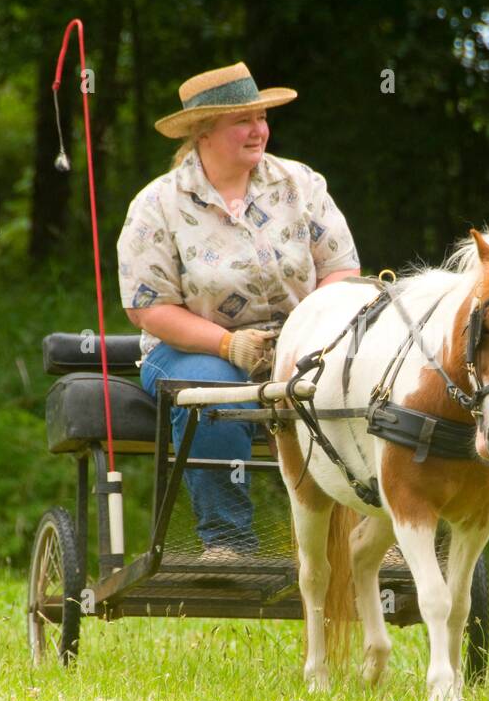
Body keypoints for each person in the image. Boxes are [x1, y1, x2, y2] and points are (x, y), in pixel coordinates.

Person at [117, 62, 362, 559]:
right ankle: (228, 542)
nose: (259, 130)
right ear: (203, 133)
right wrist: (231, 344)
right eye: (242, 121)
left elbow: (342, 270)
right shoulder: (158, 205)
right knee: (216, 390)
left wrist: (304, 334)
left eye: (262, 117)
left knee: (360, 384)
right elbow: (149, 309)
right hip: (192, 348)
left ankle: (367, 536)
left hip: (306, 341)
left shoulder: (301, 184)